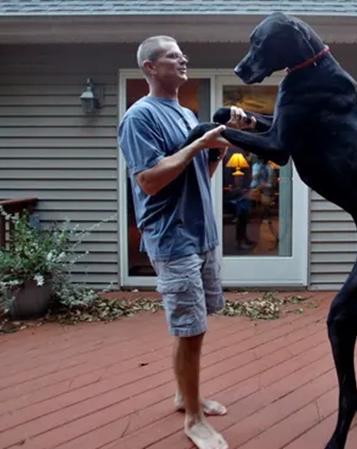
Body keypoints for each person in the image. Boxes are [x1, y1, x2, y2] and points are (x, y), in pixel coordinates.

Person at [117, 35, 255, 449]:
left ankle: (184, 395)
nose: (183, 60)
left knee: (194, 326)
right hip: (173, 237)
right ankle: (193, 419)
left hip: (202, 233)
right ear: (149, 67)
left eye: (182, 55)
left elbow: (196, 175)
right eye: (173, 56)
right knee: (189, 328)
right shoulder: (139, 118)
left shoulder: (184, 112)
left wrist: (212, 152)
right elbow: (150, 181)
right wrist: (199, 143)